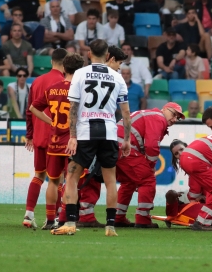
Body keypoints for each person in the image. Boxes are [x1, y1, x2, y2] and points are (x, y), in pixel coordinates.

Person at [51, 39, 131, 237]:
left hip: (86, 131)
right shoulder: (117, 77)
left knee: (71, 176)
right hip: (110, 133)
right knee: (111, 180)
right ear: (107, 56)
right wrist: (127, 139)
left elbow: (74, 109)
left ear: (88, 54)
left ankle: (70, 222)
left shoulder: (79, 74)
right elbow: (126, 113)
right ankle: (110, 226)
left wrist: (72, 136)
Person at [29, 52, 84, 230]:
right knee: (71, 181)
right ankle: (68, 219)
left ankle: (50, 220)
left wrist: (51, 121)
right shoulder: (79, 89)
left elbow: (32, 108)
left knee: (53, 181)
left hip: (54, 141)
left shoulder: (53, 88)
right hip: (72, 142)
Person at [114, 102, 184, 228]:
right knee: (147, 180)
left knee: (129, 182)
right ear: (165, 109)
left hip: (114, 145)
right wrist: (150, 166)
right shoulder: (158, 117)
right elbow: (151, 146)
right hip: (125, 147)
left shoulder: (150, 115)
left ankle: (118, 217)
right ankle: (142, 219)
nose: (174, 119)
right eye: (174, 114)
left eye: (177, 118)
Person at [23, 48, 67, 228]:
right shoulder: (64, 83)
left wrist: (29, 136)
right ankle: (54, 217)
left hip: (39, 137)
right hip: (56, 138)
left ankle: (28, 214)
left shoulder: (37, 81)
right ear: (65, 63)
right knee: (57, 179)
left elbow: (29, 109)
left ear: (51, 62)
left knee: (39, 176)